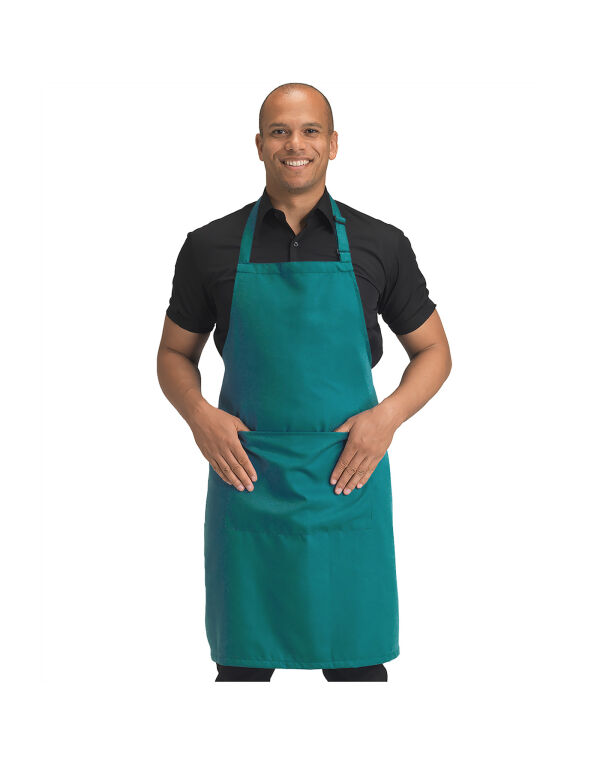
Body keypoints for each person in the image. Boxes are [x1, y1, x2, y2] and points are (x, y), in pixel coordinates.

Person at [157, 82, 452, 682]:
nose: (296, 144)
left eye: (310, 130)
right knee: (241, 674)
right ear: (259, 144)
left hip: (348, 478)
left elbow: (433, 352)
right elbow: (173, 354)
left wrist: (387, 418)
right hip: (248, 478)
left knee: (358, 672)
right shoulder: (209, 245)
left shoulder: (381, 243)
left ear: (333, 143)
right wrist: (200, 416)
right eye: (280, 131)